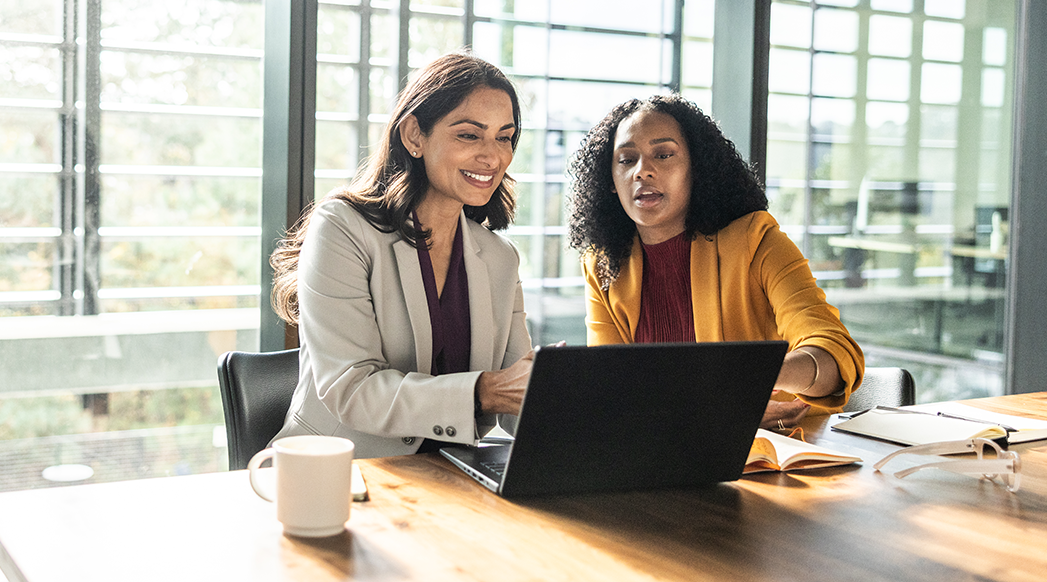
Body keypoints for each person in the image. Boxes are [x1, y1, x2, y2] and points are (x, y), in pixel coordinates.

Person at [267, 52, 535, 458]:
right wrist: (483, 392)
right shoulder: (342, 228)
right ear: (414, 135)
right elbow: (352, 388)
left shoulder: (500, 258)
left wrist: (558, 392)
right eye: (469, 135)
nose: (493, 156)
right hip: (339, 476)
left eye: (504, 137)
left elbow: (516, 401)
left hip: (448, 481)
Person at [566, 94, 864, 429]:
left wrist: (753, 380)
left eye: (663, 155)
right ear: (610, 180)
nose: (642, 171)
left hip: (774, 455)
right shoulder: (603, 265)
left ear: (697, 167)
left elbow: (835, 356)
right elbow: (615, 390)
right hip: (666, 454)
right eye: (626, 160)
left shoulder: (757, 241)